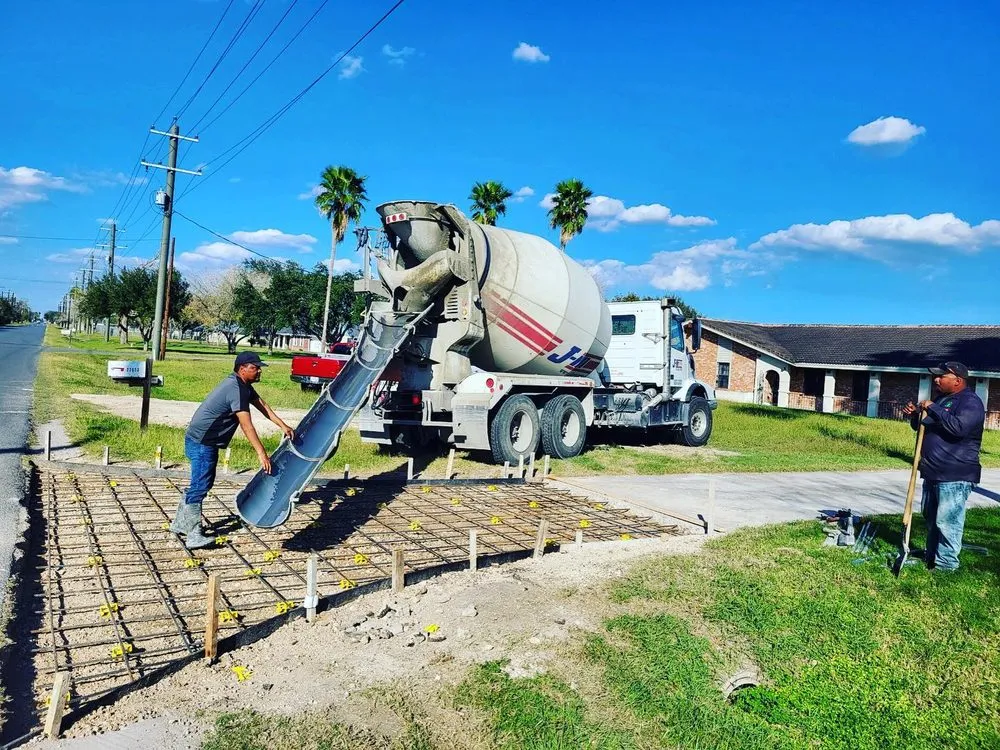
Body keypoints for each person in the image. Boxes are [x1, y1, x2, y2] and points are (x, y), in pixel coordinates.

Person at [170, 352, 295, 548]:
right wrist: (262, 453)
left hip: (201, 440)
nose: (260, 370)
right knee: (200, 485)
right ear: (242, 368)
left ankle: (179, 525)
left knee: (200, 483)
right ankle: (193, 535)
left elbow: (262, 405)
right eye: (255, 367)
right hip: (203, 443)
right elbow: (247, 425)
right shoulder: (235, 388)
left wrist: (283, 425)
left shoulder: (242, 385)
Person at [902, 361, 985, 572]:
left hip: (955, 474)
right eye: (936, 376)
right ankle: (932, 556)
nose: (936, 380)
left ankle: (946, 565)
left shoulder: (970, 402)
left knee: (948, 522)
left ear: (957, 381)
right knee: (931, 519)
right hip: (933, 472)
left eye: (942, 376)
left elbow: (958, 428)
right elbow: (925, 426)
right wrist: (915, 416)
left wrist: (933, 407)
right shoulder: (942, 400)